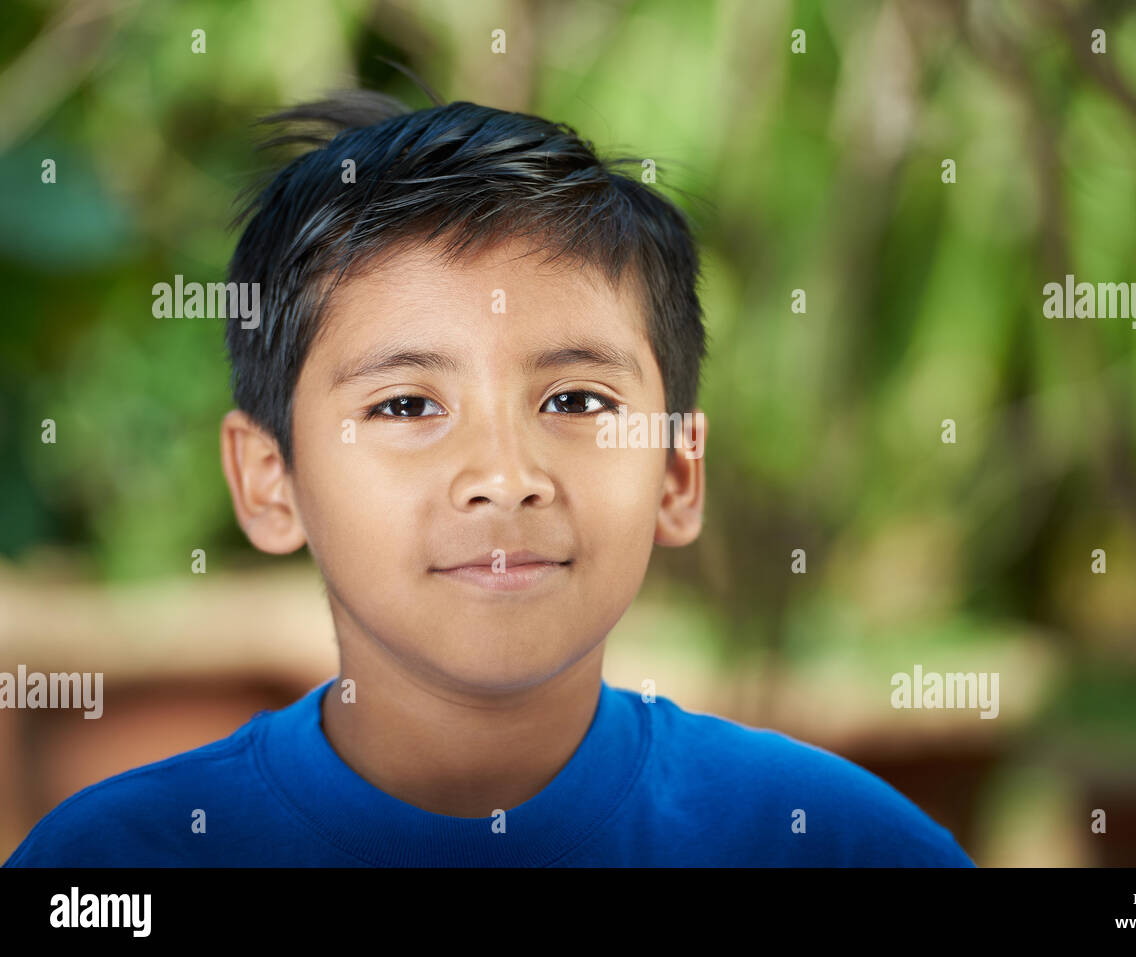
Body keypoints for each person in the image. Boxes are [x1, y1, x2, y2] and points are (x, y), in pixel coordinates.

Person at [5, 91, 974, 867]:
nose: (504, 477)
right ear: (270, 481)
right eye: (405, 406)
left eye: (577, 402)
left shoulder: (836, 845)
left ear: (677, 471)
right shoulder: (115, 866)